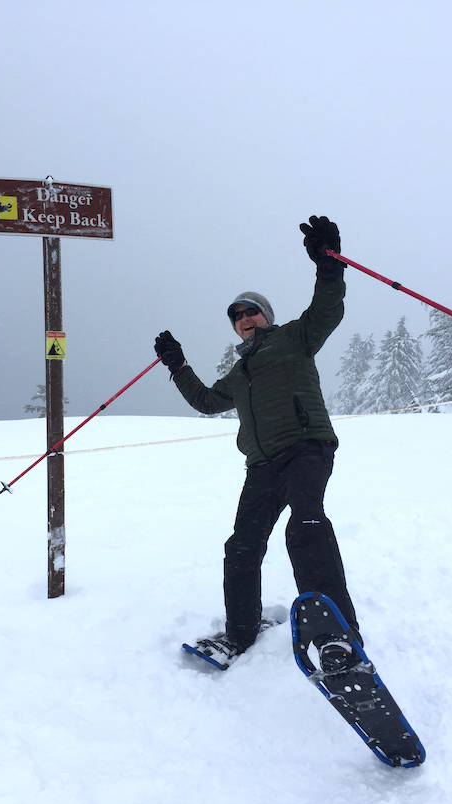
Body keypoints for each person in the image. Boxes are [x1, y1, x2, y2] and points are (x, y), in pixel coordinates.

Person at [154, 215, 361, 671]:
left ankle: (337, 637)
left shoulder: (293, 338)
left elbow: (327, 310)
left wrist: (328, 265)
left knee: (305, 524)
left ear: (266, 316)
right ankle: (240, 634)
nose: (244, 318)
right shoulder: (238, 373)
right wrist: (177, 364)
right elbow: (207, 401)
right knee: (241, 548)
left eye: (251, 311)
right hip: (261, 466)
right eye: (237, 316)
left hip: (306, 447)